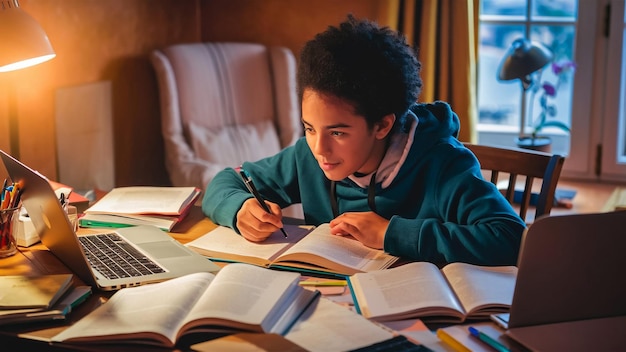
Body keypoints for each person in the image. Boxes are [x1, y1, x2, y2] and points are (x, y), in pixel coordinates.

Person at [202, 15, 526, 266]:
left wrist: (391, 232)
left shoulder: (443, 164)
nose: (319, 149)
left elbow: (511, 238)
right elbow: (227, 180)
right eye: (310, 128)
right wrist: (239, 208)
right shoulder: (307, 156)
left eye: (338, 133)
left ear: (382, 125)